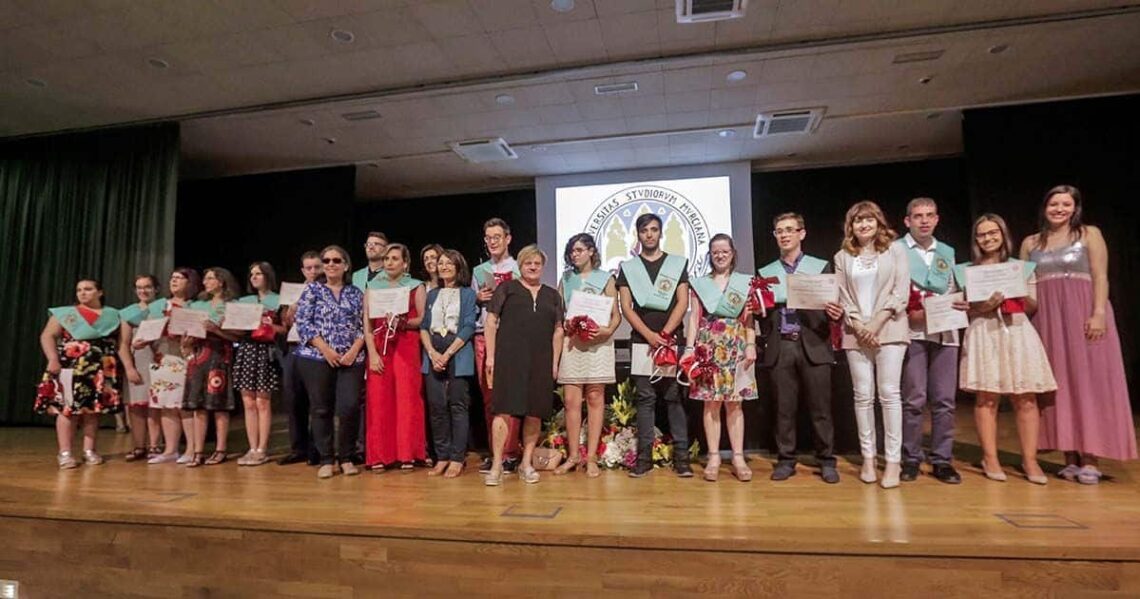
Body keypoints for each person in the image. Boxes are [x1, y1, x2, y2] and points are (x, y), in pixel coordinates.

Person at [1021, 185, 1137, 483]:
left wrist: (1098, 312)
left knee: (1089, 382)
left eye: (1066, 204)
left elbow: (1100, 276)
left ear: (1075, 208)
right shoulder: (1030, 242)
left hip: (1083, 312)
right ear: (1044, 207)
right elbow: (1024, 284)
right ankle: (1068, 455)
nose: (1059, 209)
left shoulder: (1089, 235)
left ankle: (1090, 457)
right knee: (1057, 384)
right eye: (1054, 204)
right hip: (1046, 317)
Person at [957, 214, 1055, 484]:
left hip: (1017, 331)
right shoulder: (966, 270)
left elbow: (1034, 306)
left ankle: (1030, 460)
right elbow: (963, 311)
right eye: (982, 234)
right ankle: (990, 458)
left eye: (993, 233)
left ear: (1003, 234)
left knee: (1025, 397)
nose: (988, 238)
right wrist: (984, 305)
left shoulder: (1020, 268)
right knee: (987, 397)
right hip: (984, 332)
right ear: (976, 239)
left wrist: (1019, 294)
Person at [758, 213, 844, 483]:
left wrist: (835, 313)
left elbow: (834, 306)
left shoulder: (820, 267)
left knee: (820, 408)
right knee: (783, 409)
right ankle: (786, 460)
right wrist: (757, 308)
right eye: (779, 231)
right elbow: (762, 315)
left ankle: (827, 460)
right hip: (782, 345)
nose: (784, 235)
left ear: (801, 233)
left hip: (814, 343)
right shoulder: (766, 272)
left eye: (789, 230)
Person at [834, 201, 911, 489]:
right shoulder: (842, 256)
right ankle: (868, 458)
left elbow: (900, 292)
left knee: (889, 394)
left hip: (888, 329)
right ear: (850, 226)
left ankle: (892, 462)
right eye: (858, 221)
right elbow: (843, 297)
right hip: (856, 332)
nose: (863, 225)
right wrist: (859, 325)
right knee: (862, 396)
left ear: (878, 222)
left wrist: (876, 323)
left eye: (869, 220)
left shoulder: (895, 250)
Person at [896, 198, 966, 484]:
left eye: (929, 216)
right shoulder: (896, 251)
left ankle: (942, 459)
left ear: (937, 219)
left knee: (945, 400)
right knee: (913, 399)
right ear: (907, 221)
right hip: (912, 333)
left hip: (946, 332)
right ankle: (911, 458)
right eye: (917, 216)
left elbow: (954, 288)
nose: (923, 221)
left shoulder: (947, 252)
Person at [617, 213, 692, 478]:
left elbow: (683, 303)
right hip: (641, 341)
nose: (649, 235)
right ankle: (644, 458)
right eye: (644, 231)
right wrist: (650, 335)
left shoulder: (676, 264)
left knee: (674, 398)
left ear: (661, 233)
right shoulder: (628, 268)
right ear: (637, 235)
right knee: (645, 400)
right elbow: (626, 307)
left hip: (670, 340)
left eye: (654, 230)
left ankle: (682, 458)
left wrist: (665, 333)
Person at [36, 279, 141, 468]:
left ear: (99, 292)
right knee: (67, 409)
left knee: (93, 410)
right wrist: (52, 358)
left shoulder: (114, 315)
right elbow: (47, 335)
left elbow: (122, 344)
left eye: (88, 289)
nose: (82, 293)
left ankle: (89, 450)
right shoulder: (66, 314)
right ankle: (65, 453)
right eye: (79, 290)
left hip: (102, 367)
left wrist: (129, 367)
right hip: (71, 366)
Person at [483, 244, 564, 486]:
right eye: (528, 262)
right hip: (509, 359)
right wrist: (490, 357)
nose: (532, 266)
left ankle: (526, 464)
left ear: (543, 267)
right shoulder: (506, 289)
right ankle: (497, 465)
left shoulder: (552, 295)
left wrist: (555, 362)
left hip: (540, 361)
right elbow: (490, 322)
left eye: (537, 263)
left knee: (534, 412)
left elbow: (559, 330)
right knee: (503, 411)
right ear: (520, 265)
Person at [685, 234, 757, 482]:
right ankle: (714, 456)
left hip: (736, 344)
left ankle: (737, 456)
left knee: (735, 403)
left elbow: (749, 319)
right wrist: (689, 348)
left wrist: (751, 345)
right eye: (715, 251)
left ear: (733, 253)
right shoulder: (699, 284)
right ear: (710, 254)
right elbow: (694, 319)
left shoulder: (744, 283)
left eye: (724, 251)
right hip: (708, 347)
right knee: (711, 403)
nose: (720, 255)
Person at [295, 245, 367, 479]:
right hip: (317, 358)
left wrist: (354, 350)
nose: (330, 264)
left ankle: (346, 456)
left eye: (336, 260)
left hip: (351, 358)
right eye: (326, 261)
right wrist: (325, 349)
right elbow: (304, 323)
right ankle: (326, 458)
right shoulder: (312, 291)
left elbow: (364, 326)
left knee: (349, 406)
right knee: (321, 407)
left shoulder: (356, 293)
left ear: (346, 265)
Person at [554, 233, 620, 478]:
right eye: (572, 251)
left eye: (580, 250)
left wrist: (607, 330)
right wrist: (566, 325)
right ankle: (573, 456)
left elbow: (616, 315)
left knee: (594, 398)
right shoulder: (566, 278)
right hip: (573, 344)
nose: (575, 254)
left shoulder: (606, 278)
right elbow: (559, 314)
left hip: (598, 344)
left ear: (592, 251)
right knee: (571, 401)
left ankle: (591, 457)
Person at [363, 243, 427, 470]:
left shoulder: (415, 286)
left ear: (405, 263)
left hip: (406, 345)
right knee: (379, 400)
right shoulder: (372, 287)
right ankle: (380, 455)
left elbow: (422, 319)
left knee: (407, 399)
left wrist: (404, 323)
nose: (389, 262)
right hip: (380, 347)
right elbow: (367, 325)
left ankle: (407, 453)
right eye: (387, 259)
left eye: (394, 259)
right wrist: (371, 354)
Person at [420, 249, 478, 478]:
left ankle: (457, 458)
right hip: (433, 350)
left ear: (458, 267)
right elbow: (424, 326)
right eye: (440, 263)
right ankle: (442, 456)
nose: (443, 266)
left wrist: (448, 353)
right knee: (436, 407)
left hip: (458, 350)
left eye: (448, 263)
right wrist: (433, 353)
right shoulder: (432, 294)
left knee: (458, 406)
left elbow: (468, 326)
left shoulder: (467, 294)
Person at [472, 218, 521, 474]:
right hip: (484, 336)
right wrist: (477, 297)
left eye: (497, 237)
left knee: (510, 396)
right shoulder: (479, 271)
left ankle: (511, 452)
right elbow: (470, 310)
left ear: (508, 238)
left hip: (510, 336)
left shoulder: (519, 268)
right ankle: (495, 452)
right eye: (488, 237)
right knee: (490, 396)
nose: (492, 242)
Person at [138, 268, 199, 465]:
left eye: (180, 278)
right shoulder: (158, 305)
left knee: (184, 407)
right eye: (172, 277)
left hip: (186, 358)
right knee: (165, 406)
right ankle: (170, 449)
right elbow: (147, 329)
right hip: (162, 359)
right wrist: (141, 340)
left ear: (190, 283)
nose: (174, 280)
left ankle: (191, 449)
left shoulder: (196, 305)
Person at [183, 267, 242, 467]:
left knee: (219, 404)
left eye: (210, 278)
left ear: (222, 281)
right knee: (198, 404)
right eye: (205, 278)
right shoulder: (197, 304)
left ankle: (221, 449)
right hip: (198, 356)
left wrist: (216, 329)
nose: (206, 282)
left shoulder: (232, 305)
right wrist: (188, 339)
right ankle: (198, 450)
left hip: (219, 355)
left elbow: (238, 336)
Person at [235, 262, 285, 467]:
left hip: (266, 351)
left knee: (262, 402)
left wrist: (268, 325)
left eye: (259, 274)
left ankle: (262, 448)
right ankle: (252, 447)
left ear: (268, 276)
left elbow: (285, 329)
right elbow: (235, 329)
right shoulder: (243, 301)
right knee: (248, 402)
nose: (254, 277)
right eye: (252, 274)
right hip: (246, 349)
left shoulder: (278, 300)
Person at [279, 251, 323, 466]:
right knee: (294, 400)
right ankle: (298, 448)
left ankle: (317, 449)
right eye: (309, 268)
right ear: (303, 270)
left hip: (314, 349)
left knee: (317, 401)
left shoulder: (325, 290)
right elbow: (286, 324)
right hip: (293, 347)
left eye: (317, 267)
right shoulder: (293, 292)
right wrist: (289, 314)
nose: (313, 271)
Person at [119, 274, 161, 462]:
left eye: (148, 287)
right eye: (139, 287)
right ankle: (138, 446)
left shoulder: (164, 308)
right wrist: (129, 368)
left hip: (160, 359)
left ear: (156, 289)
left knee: (156, 405)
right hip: (138, 362)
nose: (143, 291)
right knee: (136, 406)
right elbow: (123, 344)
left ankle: (155, 446)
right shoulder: (128, 313)